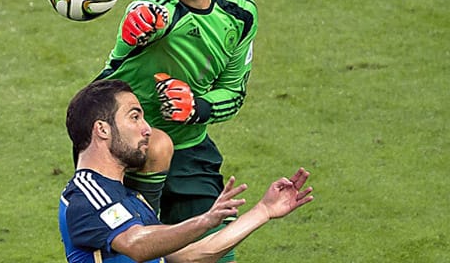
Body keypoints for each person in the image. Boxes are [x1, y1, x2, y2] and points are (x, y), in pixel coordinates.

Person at [94, 0, 258, 262]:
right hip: (121, 148)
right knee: (139, 250)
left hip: (190, 148)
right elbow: (144, 17)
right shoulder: (154, 8)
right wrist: (136, 27)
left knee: (216, 251)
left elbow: (234, 94)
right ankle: (147, 223)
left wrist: (196, 106)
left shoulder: (240, 13)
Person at [59, 79, 314, 263]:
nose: (147, 129)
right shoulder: (87, 195)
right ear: (102, 129)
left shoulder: (129, 199)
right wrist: (204, 221)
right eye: (134, 117)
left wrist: (263, 211)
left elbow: (188, 257)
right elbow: (135, 245)